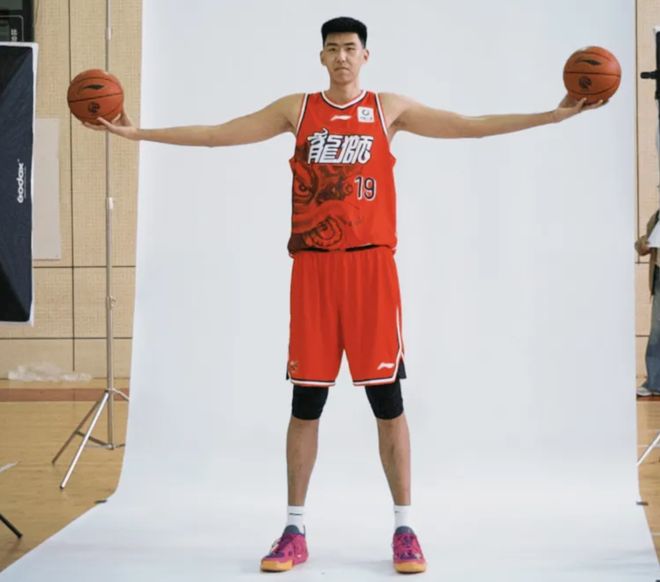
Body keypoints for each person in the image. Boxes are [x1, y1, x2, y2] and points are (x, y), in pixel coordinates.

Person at [87, 16, 604, 575]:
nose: (341, 57)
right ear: (321, 57)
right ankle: (294, 529)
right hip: (313, 270)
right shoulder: (297, 109)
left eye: (350, 48)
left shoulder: (388, 109)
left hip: (371, 272)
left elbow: (468, 126)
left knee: (388, 402)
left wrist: (551, 116)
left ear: (365, 56)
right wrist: (137, 134)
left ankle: (405, 528)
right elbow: (218, 133)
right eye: (332, 48)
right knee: (306, 402)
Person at [635, 210, 660, 396]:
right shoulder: (657, 216)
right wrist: (644, 243)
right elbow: (642, 246)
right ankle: (654, 382)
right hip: (659, 276)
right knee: (657, 329)